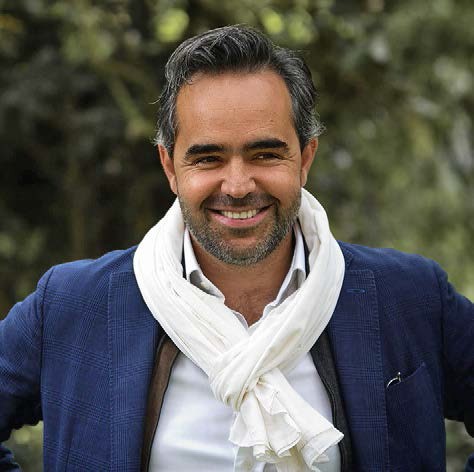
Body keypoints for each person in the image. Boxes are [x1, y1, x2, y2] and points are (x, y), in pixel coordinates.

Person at [0, 25, 473, 472]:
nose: (239, 185)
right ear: (170, 167)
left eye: (265, 154)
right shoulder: (72, 305)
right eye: (208, 158)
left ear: (305, 158)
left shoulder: (411, 298)